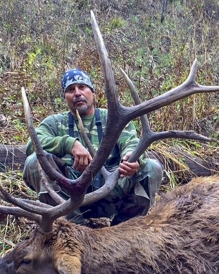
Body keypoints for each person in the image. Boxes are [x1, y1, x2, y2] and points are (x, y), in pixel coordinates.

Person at [23, 69, 163, 225]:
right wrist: (69, 144)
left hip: (111, 192)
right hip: (68, 201)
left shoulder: (113, 118)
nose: (77, 93)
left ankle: (125, 229)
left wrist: (131, 157)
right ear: (65, 97)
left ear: (93, 93)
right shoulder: (55, 122)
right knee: (34, 161)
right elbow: (32, 144)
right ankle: (72, 228)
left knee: (152, 168)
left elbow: (131, 141)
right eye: (70, 89)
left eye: (82, 87)